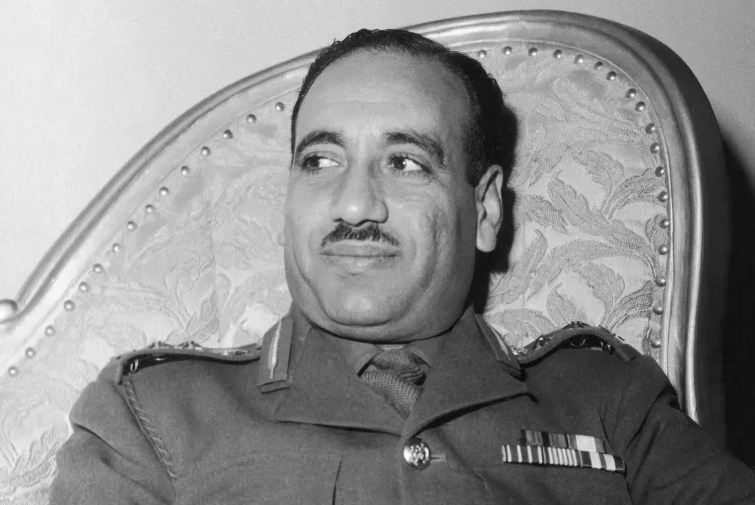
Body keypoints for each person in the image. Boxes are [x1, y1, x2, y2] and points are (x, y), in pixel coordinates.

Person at [50, 28, 755, 504]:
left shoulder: (608, 400)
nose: (354, 203)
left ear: (485, 211)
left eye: (406, 162)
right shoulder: (153, 416)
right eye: (319, 160)